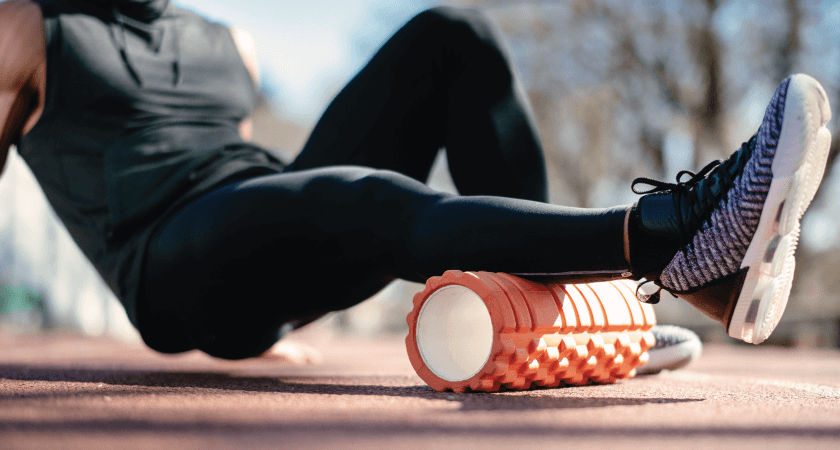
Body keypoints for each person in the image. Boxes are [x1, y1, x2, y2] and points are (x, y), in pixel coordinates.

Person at [0, 0, 830, 361]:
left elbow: (258, 186)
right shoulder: (29, 29)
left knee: (451, 35)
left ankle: (561, 316)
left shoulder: (228, 42)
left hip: (260, 224)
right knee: (355, 195)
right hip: (167, 261)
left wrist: (276, 310)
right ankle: (668, 237)